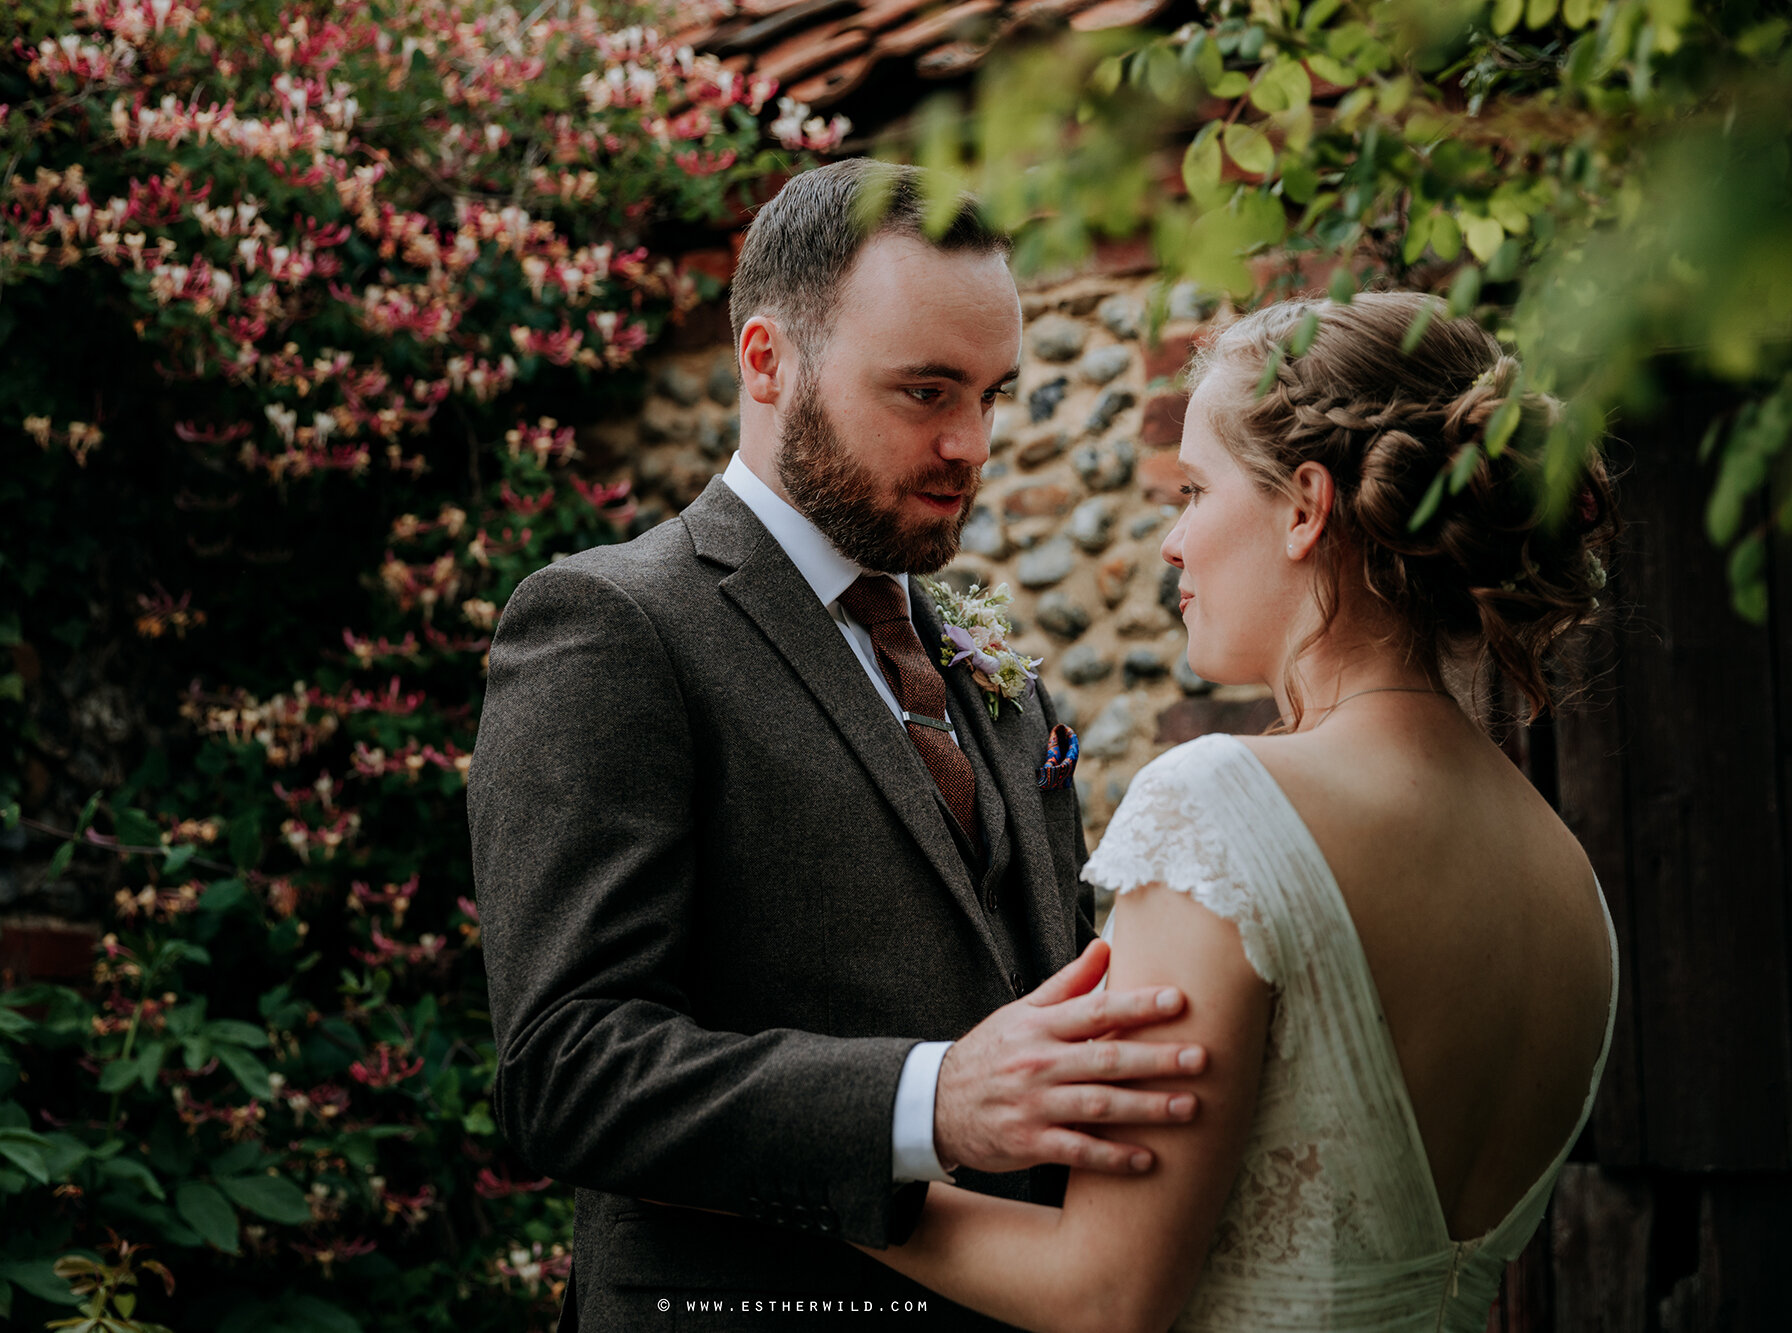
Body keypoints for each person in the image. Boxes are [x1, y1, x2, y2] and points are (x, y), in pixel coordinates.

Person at [469, 159, 1207, 1330]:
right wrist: (928, 1100)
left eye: (992, 394)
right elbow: (565, 1065)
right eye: (924, 391)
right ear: (766, 362)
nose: (971, 444)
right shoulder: (614, 625)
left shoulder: (979, 663)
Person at [856, 290, 1621, 1331]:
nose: (1171, 542)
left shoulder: (1218, 809)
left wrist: (818, 1171)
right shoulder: (1561, 871)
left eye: (1191, 488)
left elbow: (1105, 1290)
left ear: (1304, 506)